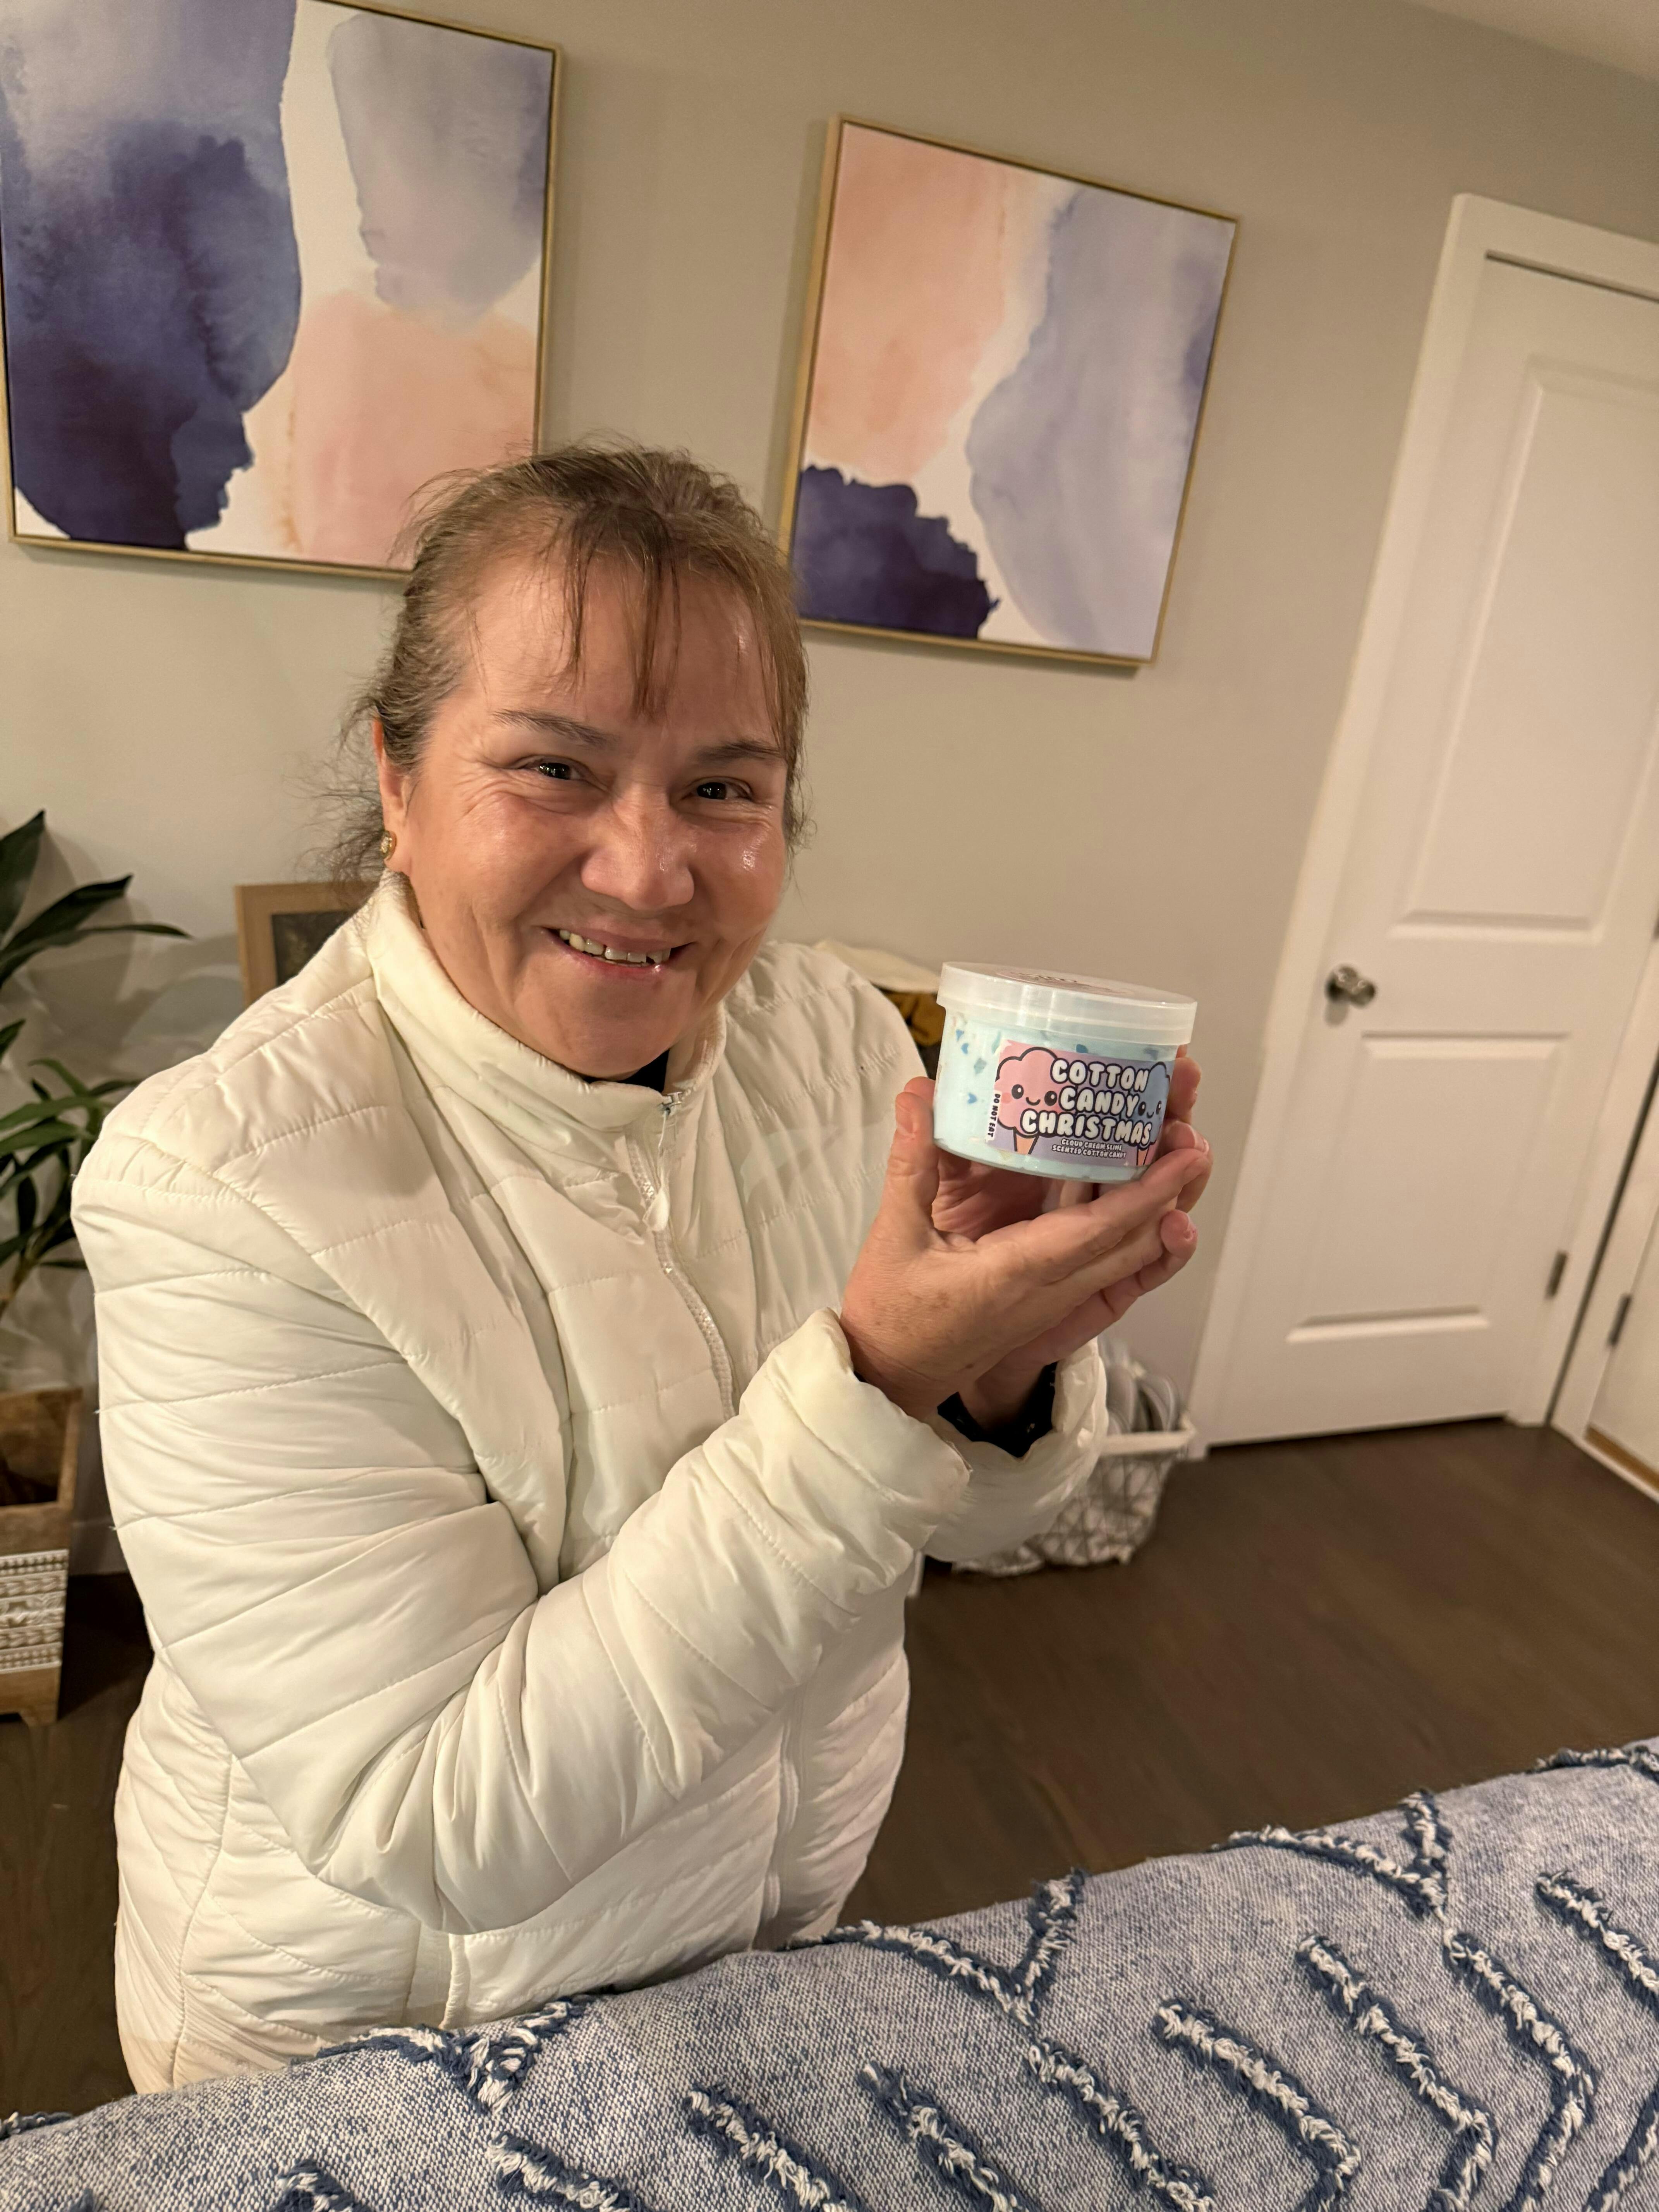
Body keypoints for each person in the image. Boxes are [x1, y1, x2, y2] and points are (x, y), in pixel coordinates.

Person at [73, 443, 1211, 2091]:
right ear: (396, 776)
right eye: (553, 766)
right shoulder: (221, 1187)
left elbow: (965, 1524)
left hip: (749, 1971)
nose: (647, 868)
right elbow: (432, 1815)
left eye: (724, 790)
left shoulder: (833, 1040)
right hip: (377, 2058)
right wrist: (877, 1382)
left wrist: (1002, 1371)